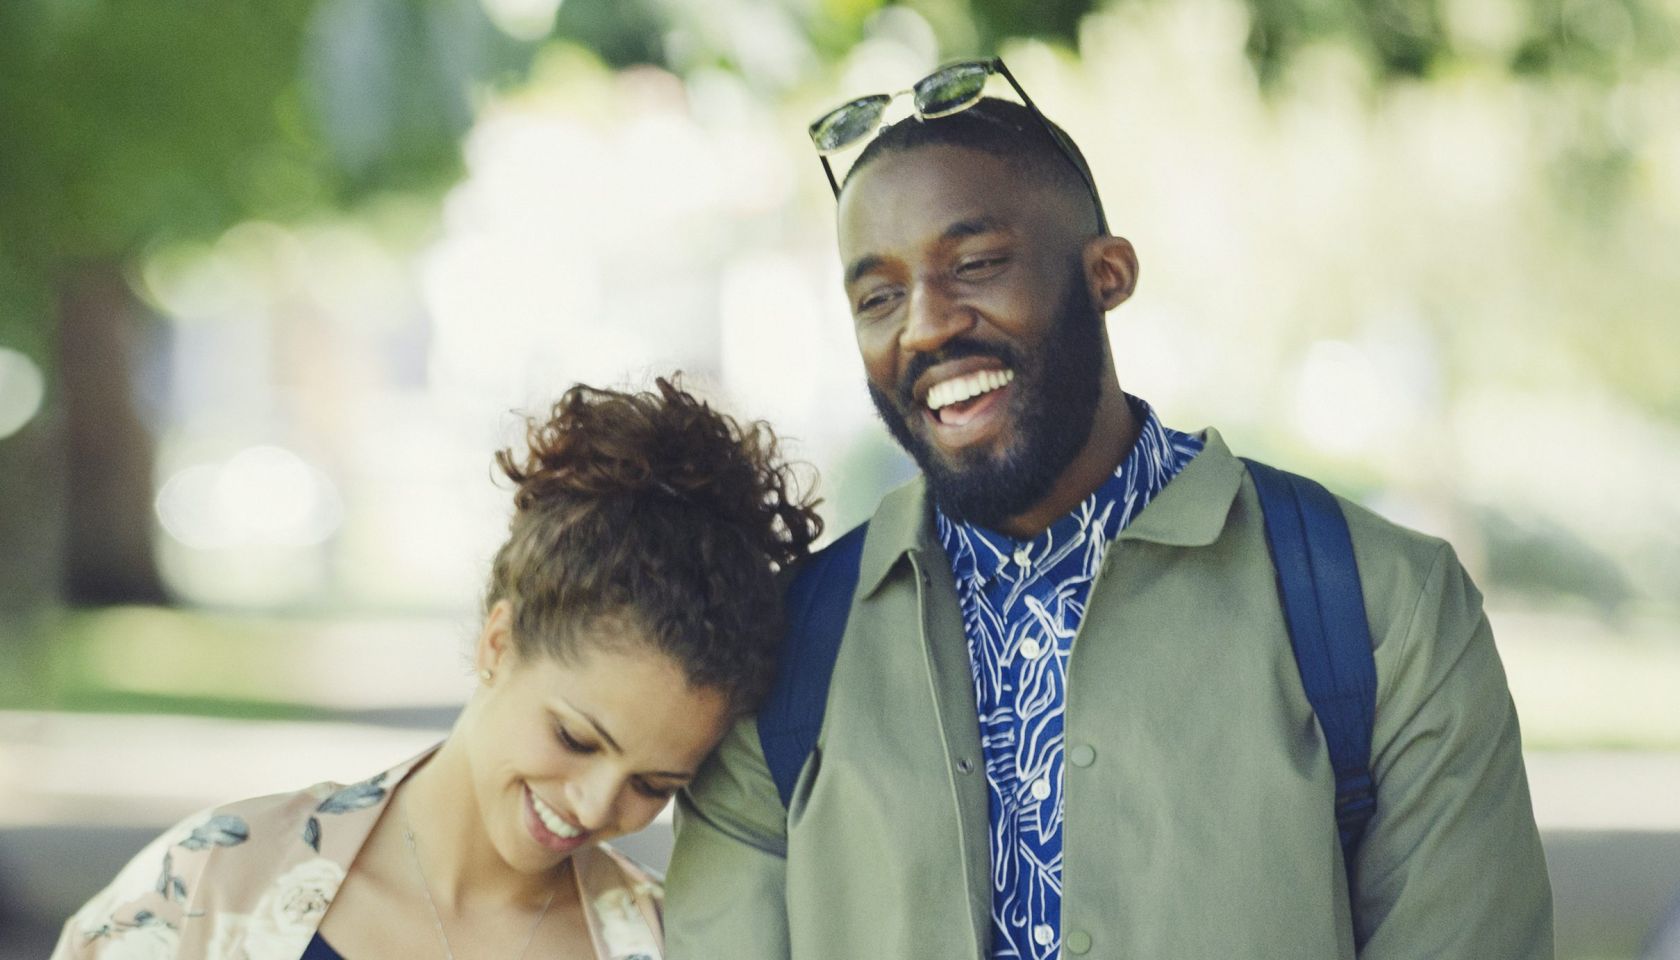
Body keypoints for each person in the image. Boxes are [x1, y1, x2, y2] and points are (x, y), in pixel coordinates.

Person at [665, 61, 1553, 959]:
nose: (925, 327)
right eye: (878, 298)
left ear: (1108, 274)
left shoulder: (1382, 607)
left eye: (974, 266)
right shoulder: (781, 649)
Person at [54, 377, 822, 960]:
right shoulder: (216, 885)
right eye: (577, 738)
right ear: (498, 643)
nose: (594, 805)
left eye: (654, 785)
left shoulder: (663, 944)